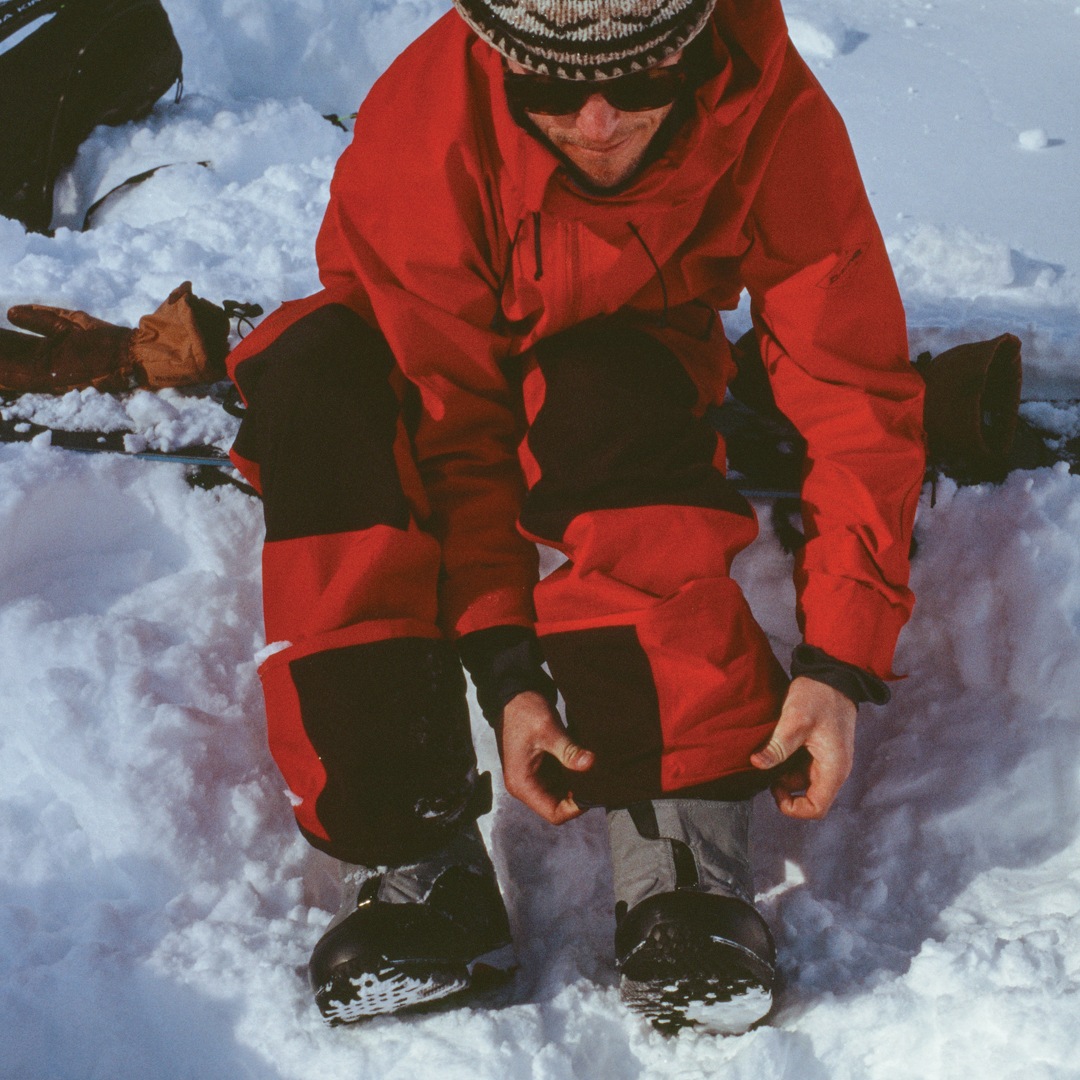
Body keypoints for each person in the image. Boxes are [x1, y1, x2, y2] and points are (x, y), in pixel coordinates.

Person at [225, 0, 925, 1035]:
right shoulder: (424, 133)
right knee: (316, 388)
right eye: (552, 89)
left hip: (627, 343)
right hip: (426, 365)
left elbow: (854, 385)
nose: (598, 124)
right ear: (499, 59)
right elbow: (457, 433)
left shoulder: (767, 108)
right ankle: (416, 871)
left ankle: (683, 859)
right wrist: (506, 670)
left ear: (691, 50)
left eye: (640, 83)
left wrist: (840, 660)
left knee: (608, 390)